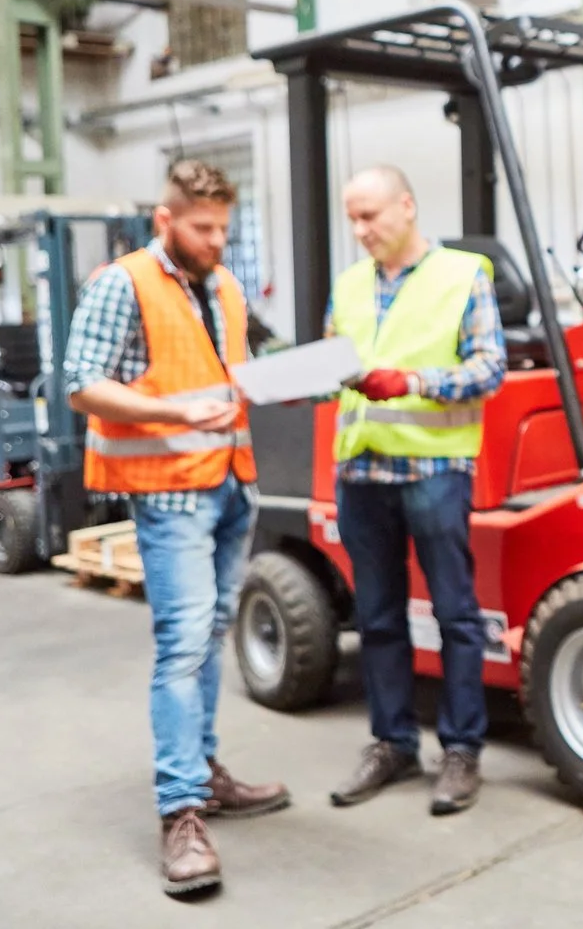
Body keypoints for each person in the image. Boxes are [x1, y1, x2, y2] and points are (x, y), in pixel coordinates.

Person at [65, 159, 289, 901]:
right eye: (203, 228)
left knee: (211, 634)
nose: (217, 240)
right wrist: (174, 413)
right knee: (184, 643)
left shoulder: (222, 286)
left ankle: (205, 771)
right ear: (166, 221)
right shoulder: (121, 282)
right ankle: (180, 811)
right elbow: (79, 382)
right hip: (168, 491)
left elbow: (229, 369)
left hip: (231, 480)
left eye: (224, 227)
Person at [325, 165, 505, 817]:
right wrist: (301, 376)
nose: (359, 229)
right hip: (360, 473)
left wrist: (413, 381)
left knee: (456, 616)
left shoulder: (463, 275)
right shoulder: (347, 284)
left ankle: (461, 751)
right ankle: (391, 741)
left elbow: (490, 369)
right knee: (375, 617)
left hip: (433, 473)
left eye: (369, 215)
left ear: (406, 206)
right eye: (351, 217)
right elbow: (333, 361)